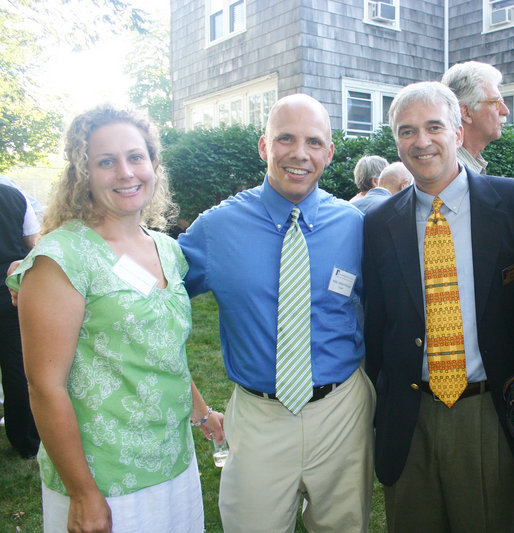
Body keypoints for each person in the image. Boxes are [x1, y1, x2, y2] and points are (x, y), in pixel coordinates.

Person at [6, 105, 223, 533]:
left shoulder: (166, 249)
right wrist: (84, 493)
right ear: (83, 174)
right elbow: (44, 388)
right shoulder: (61, 259)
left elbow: (163, 349)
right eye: (107, 162)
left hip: (172, 461)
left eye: (136, 157)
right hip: (104, 478)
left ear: (153, 165)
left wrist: (200, 413)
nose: (126, 172)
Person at [178, 93, 374, 533]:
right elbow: (151, 287)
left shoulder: (354, 225)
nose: (299, 154)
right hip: (259, 415)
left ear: (329, 152)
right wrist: (58, 263)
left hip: (342, 411)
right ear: (265, 146)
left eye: (313, 142)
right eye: (286, 138)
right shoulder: (216, 228)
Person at [363, 81, 514, 532]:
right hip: (410, 416)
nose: (421, 141)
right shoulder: (377, 223)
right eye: (407, 131)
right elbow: (375, 322)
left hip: (488, 411)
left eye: (433, 127)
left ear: (458, 133)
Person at [0, 183, 40, 459]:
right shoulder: (16, 196)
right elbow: (31, 245)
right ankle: (25, 440)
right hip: (8, 291)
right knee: (16, 367)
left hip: (10, 290)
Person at [442, 61, 509, 174]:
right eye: (495, 102)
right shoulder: (451, 174)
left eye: (502, 101)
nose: (506, 111)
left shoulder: (467, 166)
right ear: (466, 112)